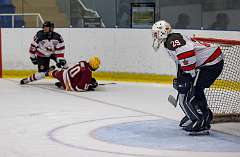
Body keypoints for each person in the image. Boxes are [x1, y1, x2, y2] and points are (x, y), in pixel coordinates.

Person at [152, 20, 224, 133]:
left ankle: (202, 120)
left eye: (156, 33)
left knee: (194, 90)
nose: (154, 36)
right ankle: (197, 115)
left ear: (162, 32)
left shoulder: (173, 40)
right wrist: (182, 77)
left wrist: (190, 75)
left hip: (211, 62)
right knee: (192, 89)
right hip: (206, 63)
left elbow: (187, 55)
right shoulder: (169, 42)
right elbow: (180, 62)